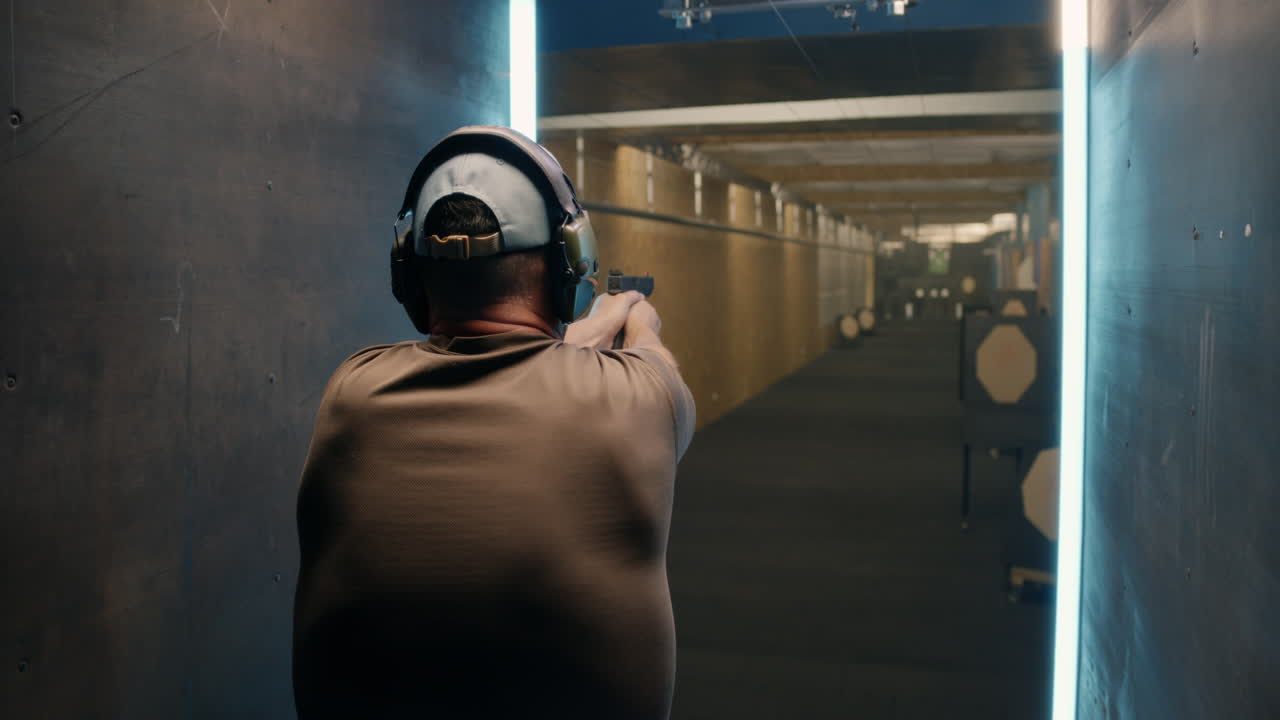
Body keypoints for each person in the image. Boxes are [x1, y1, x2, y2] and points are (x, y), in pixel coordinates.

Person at [292, 127, 695, 720]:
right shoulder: (640, 398)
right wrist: (630, 313)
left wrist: (578, 335)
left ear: (410, 275)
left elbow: (513, 357)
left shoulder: (354, 390)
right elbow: (650, 359)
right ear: (570, 269)